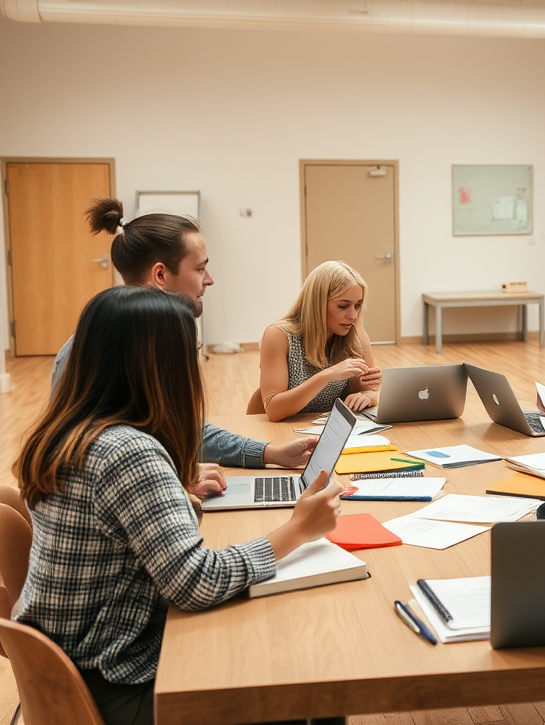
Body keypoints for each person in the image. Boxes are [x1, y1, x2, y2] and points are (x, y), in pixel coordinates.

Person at [15, 287, 344, 725]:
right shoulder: (127, 452)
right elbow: (197, 583)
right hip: (112, 684)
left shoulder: (68, 431)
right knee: (310, 683)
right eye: (192, 352)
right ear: (162, 364)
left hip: (65, 672)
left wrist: (177, 490)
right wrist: (297, 530)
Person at [52, 198, 317, 480]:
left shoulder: (163, 336)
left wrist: (269, 453)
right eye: (200, 268)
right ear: (160, 275)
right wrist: (177, 479)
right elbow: (90, 464)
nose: (210, 279)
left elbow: (185, 429)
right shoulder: (92, 353)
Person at [260, 261, 382, 422]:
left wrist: (366, 396)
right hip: (282, 430)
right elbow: (274, 410)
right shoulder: (279, 335)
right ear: (317, 303)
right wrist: (326, 376)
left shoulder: (357, 337)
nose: (353, 315)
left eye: (357, 306)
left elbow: (365, 391)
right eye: (343, 306)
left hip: (327, 428)